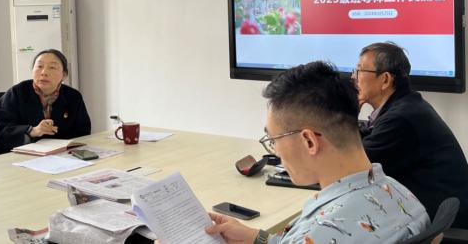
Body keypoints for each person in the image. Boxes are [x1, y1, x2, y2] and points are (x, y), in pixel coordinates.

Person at [157, 61, 428, 244]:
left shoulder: (322, 230)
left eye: (274, 139)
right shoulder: (402, 195)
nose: (274, 149)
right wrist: (256, 238)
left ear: (309, 140)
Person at [353, 41, 468, 228]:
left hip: (441, 224)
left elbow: (353, 167)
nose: (353, 77)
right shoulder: (406, 105)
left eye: (359, 70)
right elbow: (368, 138)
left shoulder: (401, 118)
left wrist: (348, 111)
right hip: (426, 210)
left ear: (385, 80)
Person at [0, 49, 91, 154]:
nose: (44, 72)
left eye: (52, 67)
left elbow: (83, 132)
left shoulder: (73, 96)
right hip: (16, 156)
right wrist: (32, 131)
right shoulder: (16, 93)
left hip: (60, 156)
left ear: (64, 75)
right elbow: (0, 131)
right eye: (39, 66)